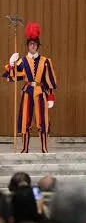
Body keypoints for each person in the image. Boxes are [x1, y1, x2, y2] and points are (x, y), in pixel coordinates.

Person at [3, 22, 57, 153]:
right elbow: (12, 77)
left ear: (38, 46)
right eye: (30, 44)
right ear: (27, 46)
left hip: (40, 92)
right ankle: (24, 148)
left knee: (42, 121)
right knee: (24, 120)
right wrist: (11, 64)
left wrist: (50, 96)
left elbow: (49, 79)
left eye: (34, 44)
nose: (32, 46)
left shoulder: (45, 61)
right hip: (27, 92)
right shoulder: (22, 61)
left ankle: (44, 148)